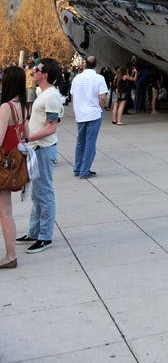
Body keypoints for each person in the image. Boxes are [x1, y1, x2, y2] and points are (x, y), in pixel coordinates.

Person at [17, 58, 63, 253]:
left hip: (43, 150)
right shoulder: (43, 93)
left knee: (44, 194)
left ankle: (45, 236)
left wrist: (27, 139)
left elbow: (51, 128)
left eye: (38, 69)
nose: (33, 71)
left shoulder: (51, 96)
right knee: (37, 194)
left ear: (45, 75)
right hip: (37, 150)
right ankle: (34, 231)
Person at [0, 66, 28, 268]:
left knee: (5, 212)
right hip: (13, 165)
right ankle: (10, 253)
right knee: (6, 211)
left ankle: (10, 255)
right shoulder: (23, 106)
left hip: (2, 165)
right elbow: (25, 133)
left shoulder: (5, 108)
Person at [70, 56, 108, 179]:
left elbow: (73, 95)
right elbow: (102, 97)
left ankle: (77, 168)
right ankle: (85, 170)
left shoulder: (77, 78)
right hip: (93, 113)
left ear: (85, 64)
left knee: (80, 142)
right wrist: (102, 108)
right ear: (96, 65)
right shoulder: (99, 78)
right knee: (90, 143)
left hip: (80, 114)